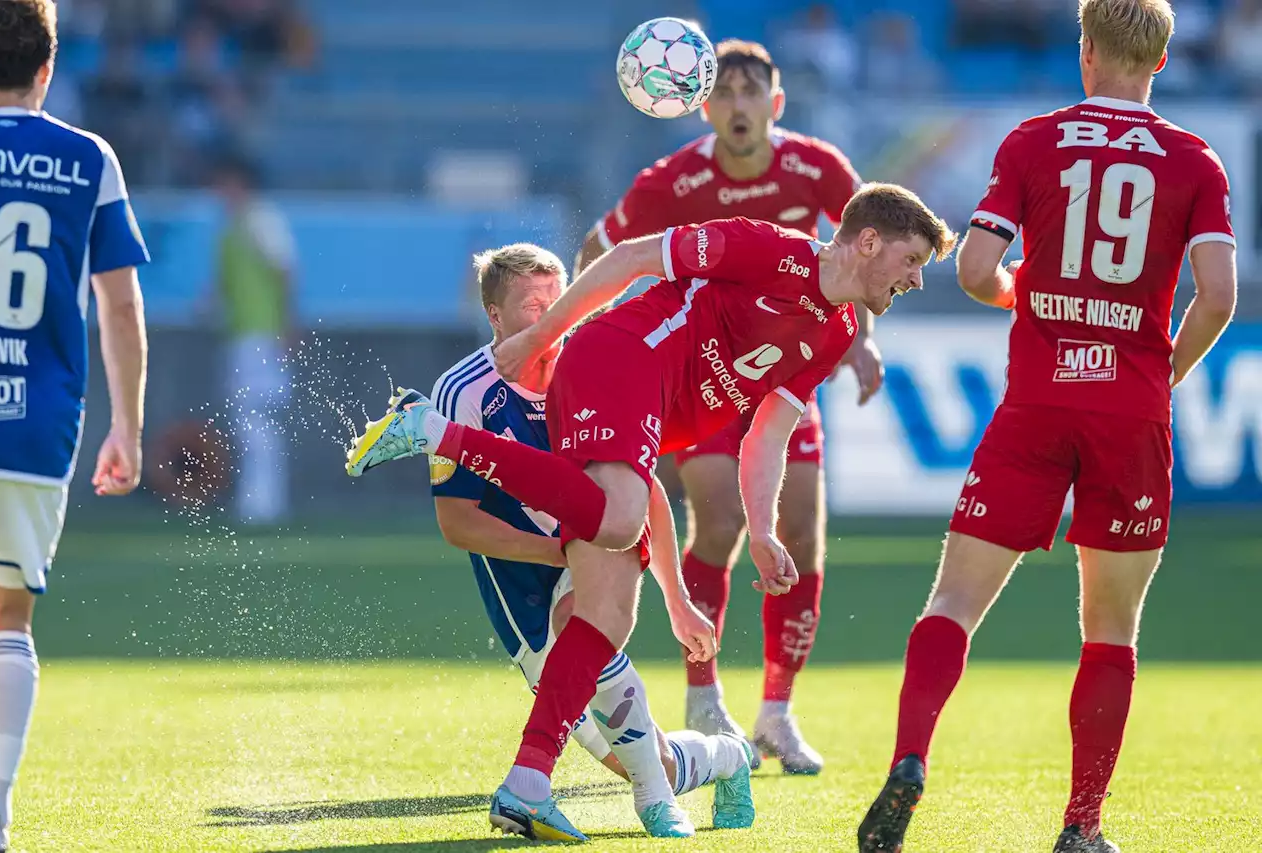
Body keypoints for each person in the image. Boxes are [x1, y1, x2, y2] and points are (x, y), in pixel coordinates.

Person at [347, 184, 956, 841]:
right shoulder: (772, 250)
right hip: (624, 354)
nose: (917, 279)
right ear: (868, 241)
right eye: (913, 258)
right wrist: (543, 336)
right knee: (616, 520)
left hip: (644, 410)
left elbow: (768, 436)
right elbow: (635, 256)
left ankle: (530, 780)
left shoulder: (834, 333)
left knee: (608, 612)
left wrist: (764, 529)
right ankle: (436, 432)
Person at [856, 2, 1237, 852]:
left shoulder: (1032, 141)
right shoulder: (1195, 161)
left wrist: (1028, 297)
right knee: (1110, 629)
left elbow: (980, 268)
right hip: (1130, 412)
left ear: (1087, 51)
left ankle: (911, 756)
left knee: (953, 599)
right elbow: (1218, 296)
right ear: (1164, 59)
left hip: (1036, 401)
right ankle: (1081, 825)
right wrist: (1162, 369)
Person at [575, 38, 885, 772]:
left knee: (801, 531)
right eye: (727, 93)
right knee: (718, 520)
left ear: (775, 105)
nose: (740, 106)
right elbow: (601, 246)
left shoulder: (818, 169)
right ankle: (702, 689)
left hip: (785, 373)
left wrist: (861, 341)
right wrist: (582, 325)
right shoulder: (670, 180)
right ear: (702, 104)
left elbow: (868, 253)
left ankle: (777, 710)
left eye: (754, 93)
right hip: (702, 378)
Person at [428, 243, 753, 838]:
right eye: (534, 306)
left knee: (590, 618)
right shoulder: (461, 393)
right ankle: (723, 759)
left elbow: (644, 489)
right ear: (495, 318)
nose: (554, 317)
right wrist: (558, 551)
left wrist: (678, 601)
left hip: (591, 560)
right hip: (523, 579)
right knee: (627, 754)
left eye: (563, 301)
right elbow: (458, 524)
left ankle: (654, 804)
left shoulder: (594, 365)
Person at [0, 2, 151, 851]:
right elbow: (118, 300)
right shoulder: (88, 158)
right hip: (34, 416)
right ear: (47, 70)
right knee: (4, 615)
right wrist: (128, 424)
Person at [210, 154, 296, 525]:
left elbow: (285, 271)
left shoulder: (260, 220)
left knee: (256, 418)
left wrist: (287, 326)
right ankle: (258, 500)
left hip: (261, 337)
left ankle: (263, 502)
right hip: (246, 335)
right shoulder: (234, 228)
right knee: (249, 418)